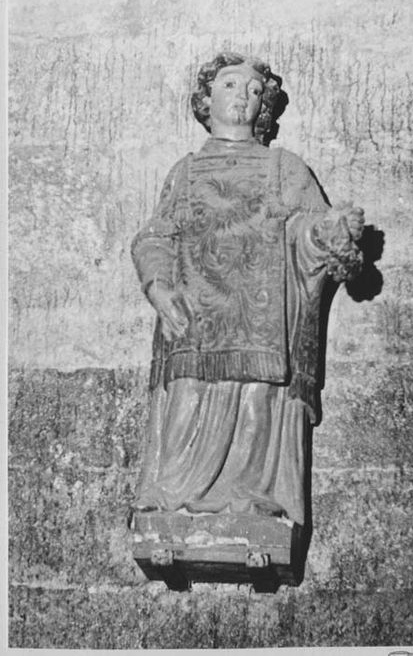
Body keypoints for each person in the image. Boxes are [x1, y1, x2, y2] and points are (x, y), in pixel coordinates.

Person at [131, 52, 364, 527]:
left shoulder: (284, 168)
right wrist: (158, 285)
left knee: (258, 403)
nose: (243, 96)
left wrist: (329, 234)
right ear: (206, 99)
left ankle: (251, 501)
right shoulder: (186, 171)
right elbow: (155, 237)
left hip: (262, 321)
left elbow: (307, 232)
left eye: (255, 91)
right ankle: (171, 500)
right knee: (187, 401)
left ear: (265, 107)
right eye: (230, 85)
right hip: (195, 315)